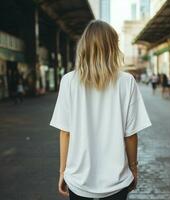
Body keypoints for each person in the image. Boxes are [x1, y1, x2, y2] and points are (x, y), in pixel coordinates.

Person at [49, 20, 152, 200]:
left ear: (84, 47)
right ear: (112, 47)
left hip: (78, 179)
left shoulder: (68, 81)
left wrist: (62, 172)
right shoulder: (126, 82)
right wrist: (133, 169)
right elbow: (131, 134)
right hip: (117, 180)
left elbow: (65, 132)